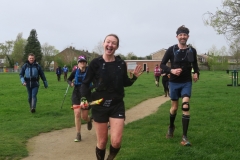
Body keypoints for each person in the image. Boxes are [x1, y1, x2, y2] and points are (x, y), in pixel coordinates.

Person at [80, 34, 143, 160]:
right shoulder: (95, 63)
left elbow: (125, 82)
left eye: (113, 43)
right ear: (104, 44)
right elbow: (85, 83)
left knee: (116, 142)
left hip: (117, 105)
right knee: (102, 142)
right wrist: (84, 99)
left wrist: (134, 77)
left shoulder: (120, 63)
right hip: (99, 105)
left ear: (117, 47)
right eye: (108, 42)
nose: (110, 45)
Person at [160, 25, 199, 146]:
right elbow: (162, 64)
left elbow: (195, 64)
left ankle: (185, 137)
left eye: (185, 34)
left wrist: (196, 73)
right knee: (175, 108)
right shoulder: (171, 50)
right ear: (177, 36)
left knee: (186, 106)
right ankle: (171, 127)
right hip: (174, 82)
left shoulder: (191, 50)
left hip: (186, 82)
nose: (183, 37)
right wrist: (171, 71)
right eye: (180, 35)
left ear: (188, 36)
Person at [67, 56, 92, 142]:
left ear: (86, 63)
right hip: (76, 94)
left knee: (84, 117)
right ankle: (78, 134)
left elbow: (96, 80)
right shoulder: (75, 71)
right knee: (77, 113)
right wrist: (71, 83)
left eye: (84, 62)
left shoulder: (90, 71)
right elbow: (69, 79)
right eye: (80, 62)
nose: (82, 63)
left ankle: (89, 120)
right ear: (78, 63)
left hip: (86, 94)